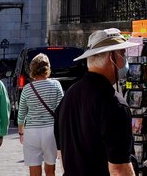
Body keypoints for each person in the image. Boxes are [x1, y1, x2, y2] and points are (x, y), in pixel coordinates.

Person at [54, 27, 135, 176]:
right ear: (112, 57)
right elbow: (119, 169)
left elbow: (62, 156)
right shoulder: (113, 103)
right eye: (122, 54)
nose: (125, 60)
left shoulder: (69, 96)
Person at [18, 53, 64, 176]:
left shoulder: (27, 88)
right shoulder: (55, 85)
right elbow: (61, 110)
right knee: (50, 169)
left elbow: (21, 113)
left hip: (32, 131)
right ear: (47, 68)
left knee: (34, 170)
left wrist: (21, 132)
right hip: (51, 131)